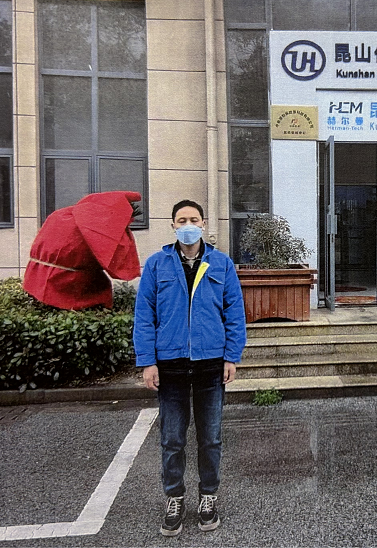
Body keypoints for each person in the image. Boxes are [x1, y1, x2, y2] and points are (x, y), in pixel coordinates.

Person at [134, 200, 246, 536]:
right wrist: (147, 361)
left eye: (193, 219)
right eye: (181, 220)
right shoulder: (157, 265)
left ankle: (208, 497)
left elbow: (235, 313)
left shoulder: (221, 264)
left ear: (203, 223)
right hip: (170, 366)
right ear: (172, 225)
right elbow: (144, 316)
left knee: (210, 438)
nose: (188, 225)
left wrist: (231, 356)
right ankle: (175, 498)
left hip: (211, 364)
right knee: (172, 439)